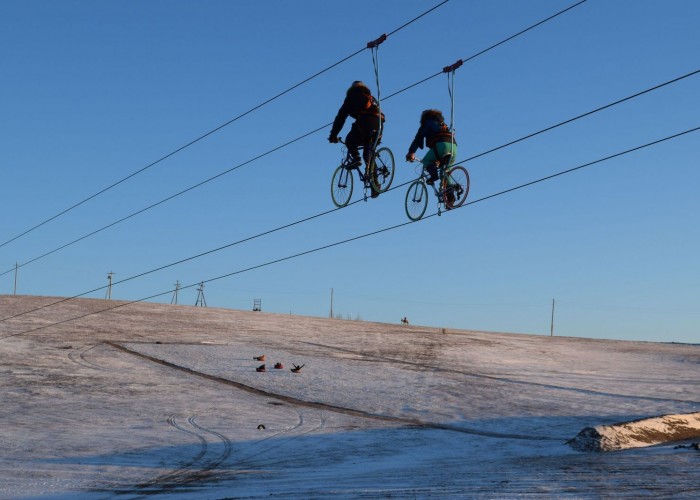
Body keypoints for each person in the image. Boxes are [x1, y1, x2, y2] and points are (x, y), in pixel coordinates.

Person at [328, 82, 385, 197]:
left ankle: (356, 159)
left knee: (349, 140)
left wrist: (333, 135)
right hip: (379, 125)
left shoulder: (352, 97)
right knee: (368, 154)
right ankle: (375, 185)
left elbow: (340, 118)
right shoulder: (371, 98)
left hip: (366, 122)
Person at [405, 109, 457, 187]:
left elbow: (418, 139)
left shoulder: (427, 123)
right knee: (445, 173)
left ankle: (434, 175)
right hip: (453, 147)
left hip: (441, 145)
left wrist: (411, 153)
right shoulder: (443, 124)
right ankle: (450, 195)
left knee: (426, 161)